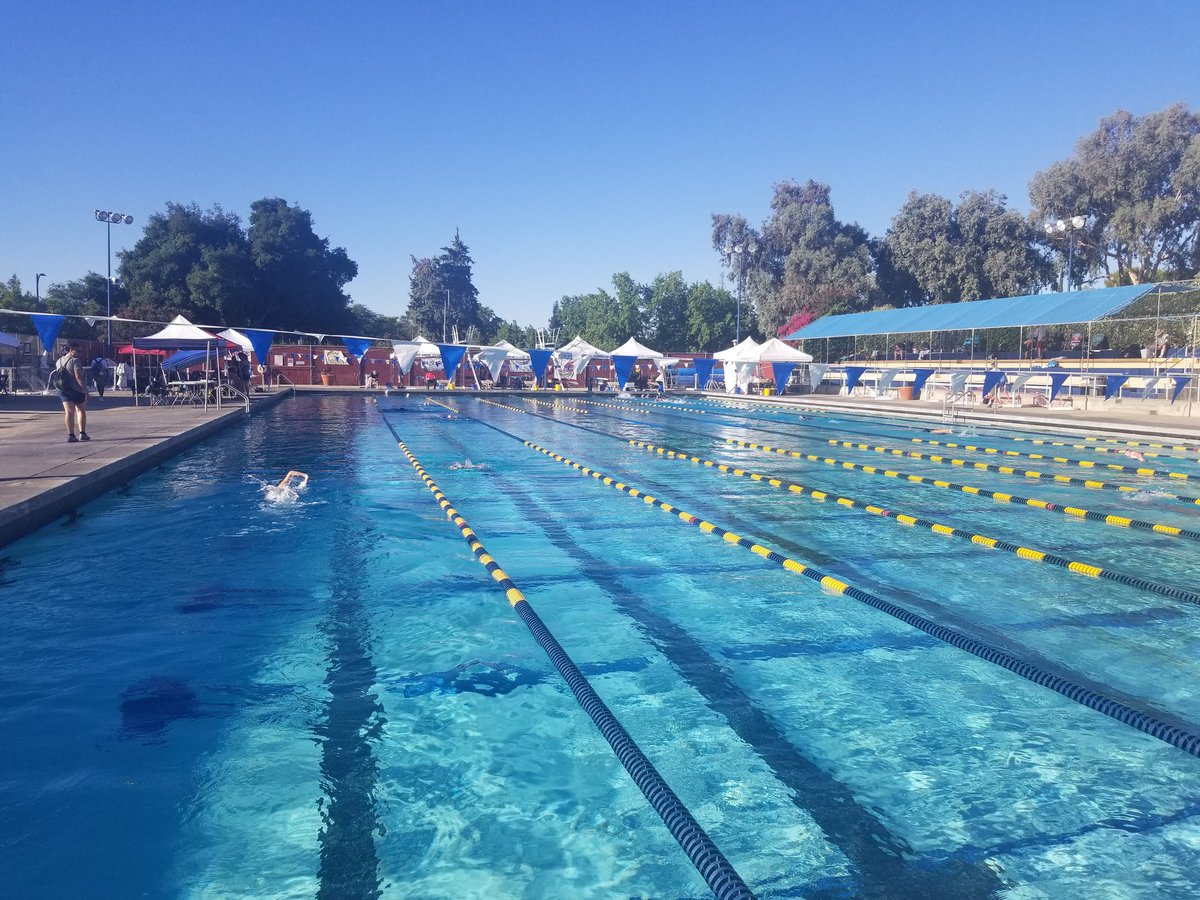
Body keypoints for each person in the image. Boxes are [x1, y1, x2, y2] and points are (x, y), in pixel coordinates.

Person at [55, 344, 90, 442]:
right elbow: (78, 376)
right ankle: (82, 433)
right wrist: (85, 390)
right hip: (75, 390)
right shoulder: (75, 361)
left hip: (63, 389)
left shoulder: (59, 361)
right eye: (78, 351)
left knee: (69, 412)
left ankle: (71, 435)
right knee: (80, 410)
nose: (79, 353)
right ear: (71, 350)